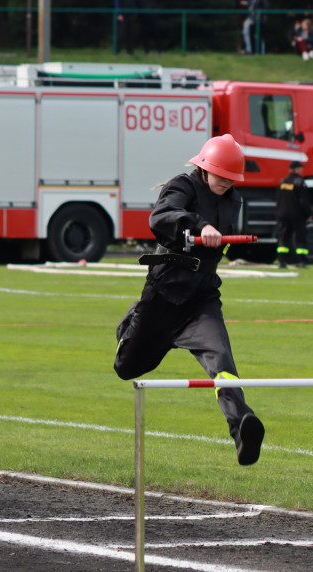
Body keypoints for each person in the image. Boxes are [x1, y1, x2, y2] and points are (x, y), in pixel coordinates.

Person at [113, 134, 265, 466]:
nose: (226, 181)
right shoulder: (182, 186)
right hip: (165, 293)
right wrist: (198, 224)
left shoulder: (232, 200)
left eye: (232, 177)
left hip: (203, 297)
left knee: (222, 362)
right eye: (221, 174)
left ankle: (242, 428)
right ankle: (132, 320)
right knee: (128, 368)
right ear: (205, 167)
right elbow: (161, 217)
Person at [275, 160, 311, 268]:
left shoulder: (283, 182)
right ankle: (302, 261)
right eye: (301, 168)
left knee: (283, 238)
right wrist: (308, 214)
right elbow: (303, 201)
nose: (302, 170)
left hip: (283, 215)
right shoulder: (300, 182)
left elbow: (278, 199)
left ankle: (281, 261)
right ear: (296, 169)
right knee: (300, 238)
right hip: (297, 215)